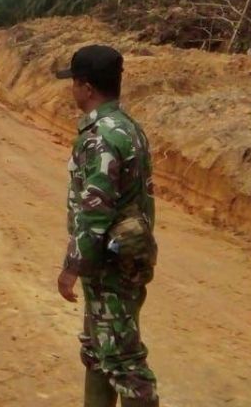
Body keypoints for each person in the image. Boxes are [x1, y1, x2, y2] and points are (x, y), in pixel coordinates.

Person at [55, 45, 159, 407]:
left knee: (123, 363)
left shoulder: (99, 137)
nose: (72, 91)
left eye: (74, 83)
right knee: (99, 349)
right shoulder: (129, 128)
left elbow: (95, 212)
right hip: (127, 257)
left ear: (86, 88)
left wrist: (72, 266)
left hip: (110, 265)